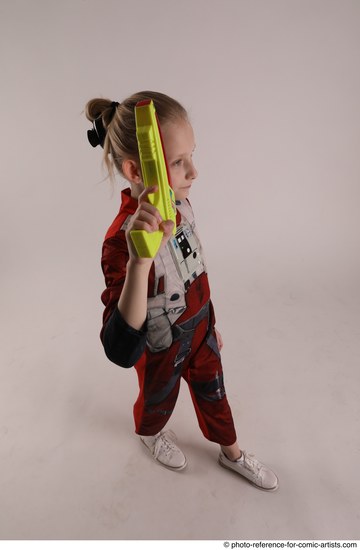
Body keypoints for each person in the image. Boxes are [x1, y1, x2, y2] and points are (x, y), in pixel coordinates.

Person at [85, 91, 279, 491]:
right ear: (138, 171)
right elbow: (120, 349)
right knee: (157, 403)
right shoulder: (119, 241)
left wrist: (210, 324)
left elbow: (196, 273)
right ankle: (149, 434)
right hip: (161, 344)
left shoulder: (182, 204)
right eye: (178, 161)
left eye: (192, 155)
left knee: (216, 394)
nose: (194, 172)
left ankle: (233, 453)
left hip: (200, 331)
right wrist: (140, 261)